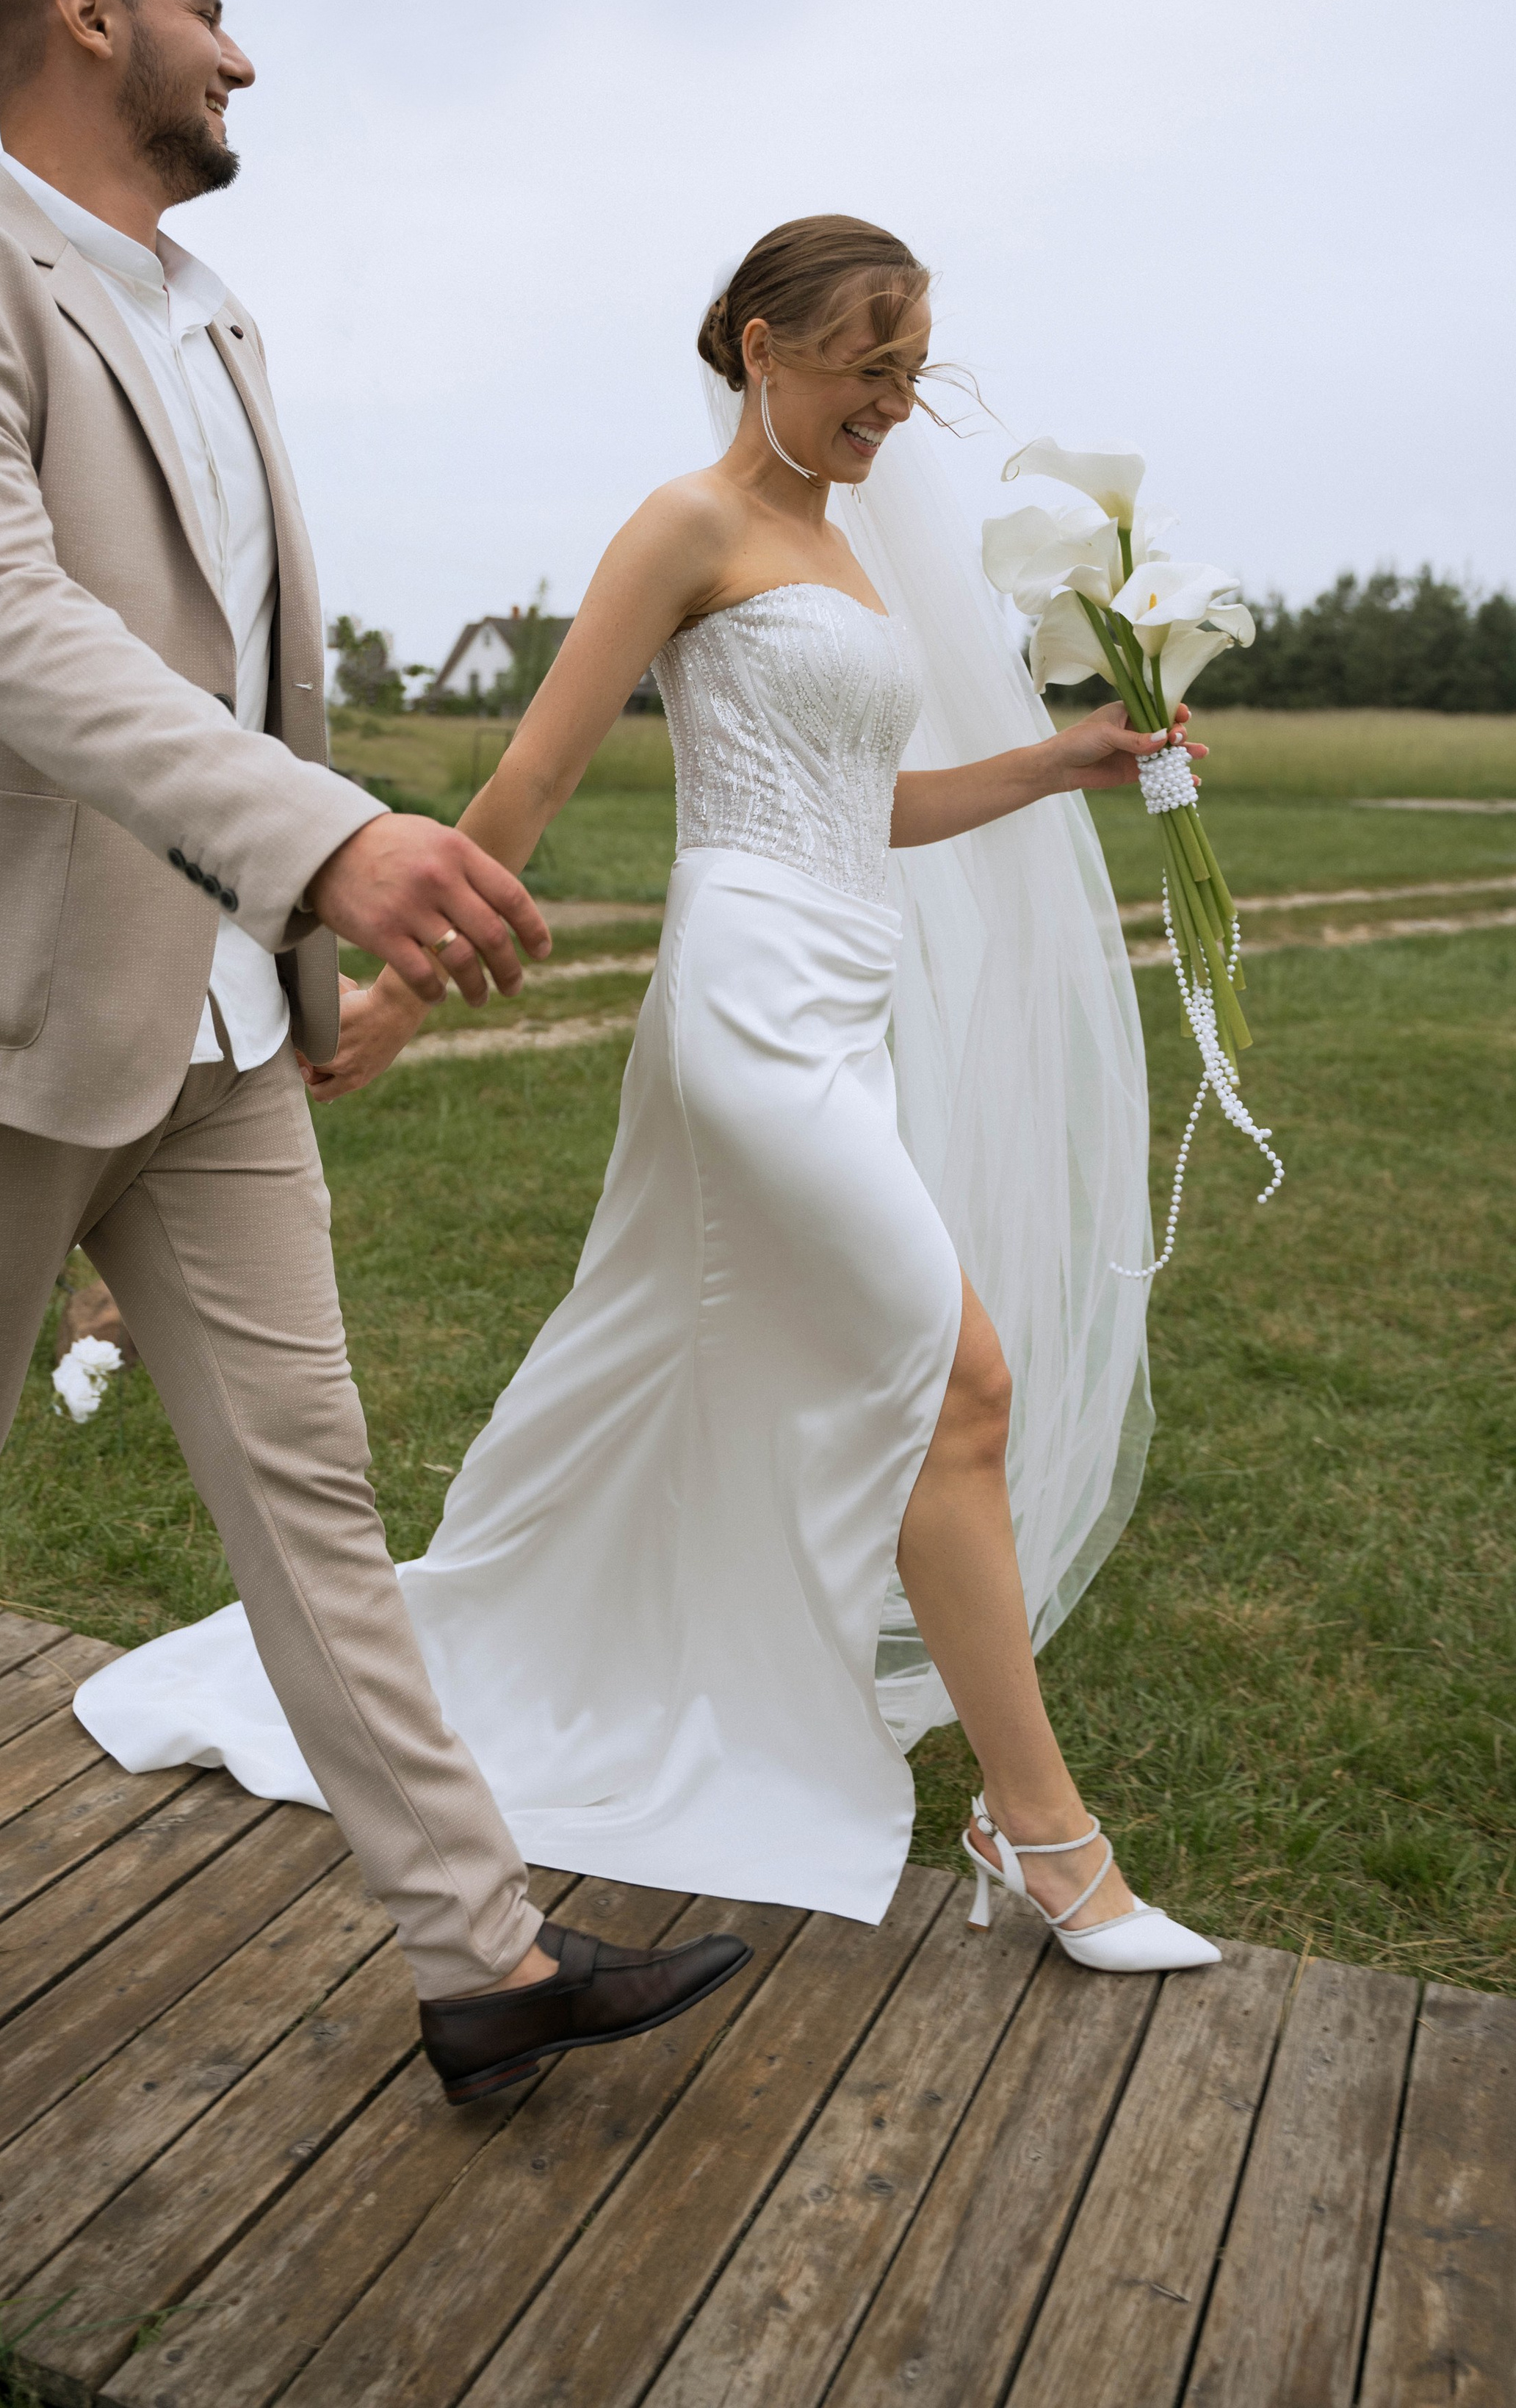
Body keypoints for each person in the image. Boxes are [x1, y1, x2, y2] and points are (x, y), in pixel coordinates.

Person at [0, 0, 748, 2103]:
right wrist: (335, 842)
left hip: (217, 1022)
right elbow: (15, 633)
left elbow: (239, 668)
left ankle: (476, 1955)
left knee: (309, 1484)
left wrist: (303, 890)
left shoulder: (218, 314)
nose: (243, 47)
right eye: (209, 6)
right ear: (90, 17)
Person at [78, 216, 1221, 1975]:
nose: (894, 407)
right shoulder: (682, 526)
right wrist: (394, 986)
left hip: (850, 990)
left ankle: (950, 1789)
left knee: (840, 1377)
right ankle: (1046, 1833)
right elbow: (530, 773)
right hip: (747, 1003)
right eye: (869, 366)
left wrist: (1060, 758)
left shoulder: (837, 556)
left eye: (913, 375)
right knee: (960, 1377)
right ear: (762, 346)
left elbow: (873, 805)